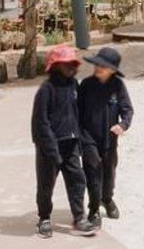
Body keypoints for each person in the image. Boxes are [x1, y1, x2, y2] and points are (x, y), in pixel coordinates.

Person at [30, 44, 98, 238]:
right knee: (46, 184)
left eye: (72, 63)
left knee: (77, 180)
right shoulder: (46, 89)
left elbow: (79, 115)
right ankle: (44, 218)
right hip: (49, 146)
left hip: (71, 143)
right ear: (56, 64)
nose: (70, 67)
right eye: (66, 63)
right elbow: (40, 122)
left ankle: (79, 217)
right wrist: (51, 149)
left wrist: (81, 140)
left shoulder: (73, 85)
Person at [78, 45, 133, 225]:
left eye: (102, 67)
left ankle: (107, 200)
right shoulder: (86, 85)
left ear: (111, 70)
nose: (98, 69)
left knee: (109, 174)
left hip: (110, 140)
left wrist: (122, 125)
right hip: (88, 138)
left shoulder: (118, 86)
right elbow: (77, 112)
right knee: (93, 175)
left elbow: (127, 110)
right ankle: (93, 209)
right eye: (96, 65)